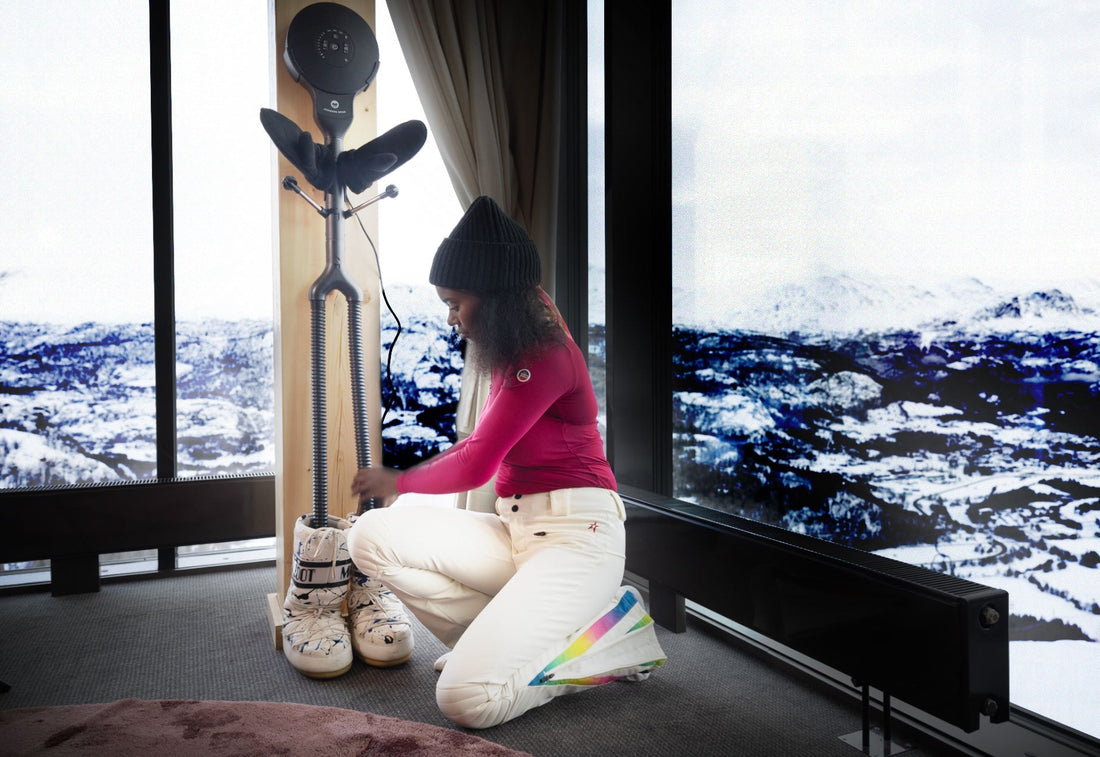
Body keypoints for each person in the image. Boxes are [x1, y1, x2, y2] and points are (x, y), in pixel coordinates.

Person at [347, 195, 667, 729]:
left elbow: (477, 463)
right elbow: (479, 445)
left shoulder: (545, 355)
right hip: (518, 531)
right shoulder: (516, 339)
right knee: (369, 538)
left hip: (578, 540)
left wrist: (400, 480)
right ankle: (495, 648)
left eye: (456, 303)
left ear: (495, 298)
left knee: (466, 701)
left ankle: (613, 640)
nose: (451, 318)